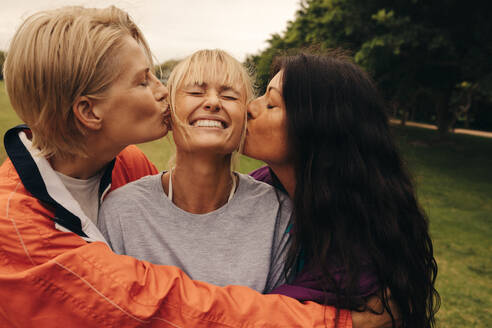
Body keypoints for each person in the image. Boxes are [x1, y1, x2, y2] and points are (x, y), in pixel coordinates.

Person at [0, 5, 360, 327]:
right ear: (89, 111)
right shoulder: (19, 230)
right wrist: (331, 323)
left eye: (231, 94)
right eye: (144, 80)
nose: (163, 91)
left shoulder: (125, 164)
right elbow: (151, 307)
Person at [246, 52, 440, 327]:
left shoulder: (359, 248)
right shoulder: (261, 185)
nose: (249, 107)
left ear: (317, 128)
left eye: (271, 104)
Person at [98, 49, 291, 294]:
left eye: (230, 96)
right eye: (195, 92)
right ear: (169, 112)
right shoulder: (121, 212)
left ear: (246, 115)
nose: (212, 102)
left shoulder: (278, 212)